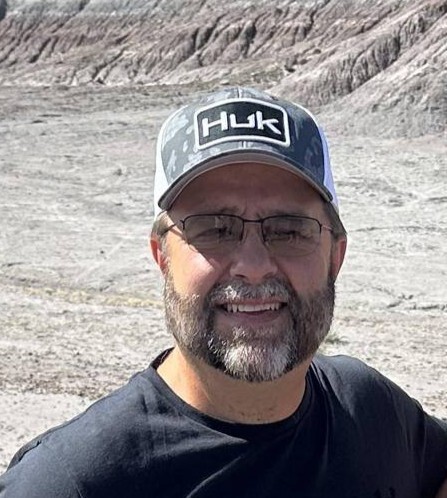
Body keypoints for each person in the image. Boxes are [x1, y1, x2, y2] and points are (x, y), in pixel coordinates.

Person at [0, 87, 446, 497]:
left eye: (289, 230)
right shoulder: (69, 483)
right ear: (163, 257)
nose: (253, 265)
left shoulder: (370, 410)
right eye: (214, 229)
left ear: (335, 257)